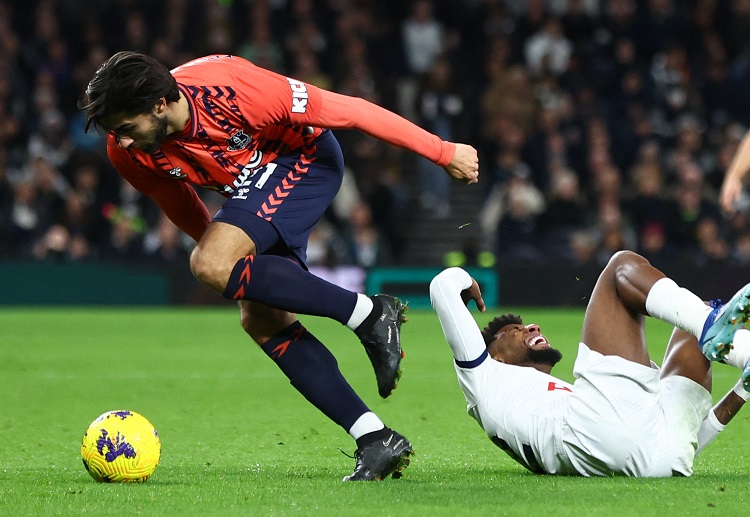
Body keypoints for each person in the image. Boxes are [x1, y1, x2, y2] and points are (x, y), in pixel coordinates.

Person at [78, 51, 479, 481]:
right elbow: (177, 202)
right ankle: (375, 438)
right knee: (261, 319)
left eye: (126, 128)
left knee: (211, 263)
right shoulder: (127, 152)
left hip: (304, 160)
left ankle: (370, 314)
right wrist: (229, 261)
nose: (121, 142)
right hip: (254, 190)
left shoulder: (233, 89)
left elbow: (354, 111)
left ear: (160, 104)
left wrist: (442, 152)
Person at [429, 250, 750, 476]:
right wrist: (465, 278)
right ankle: (712, 326)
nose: (531, 327)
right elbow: (442, 287)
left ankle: (739, 351)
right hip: (597, 434)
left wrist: (741, 391)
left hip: (662, 459)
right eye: (513, 331)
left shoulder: (548, 398)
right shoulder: (483, 375)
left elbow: (679, 444)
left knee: (693, 321)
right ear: (496, 356)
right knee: (620, 268)